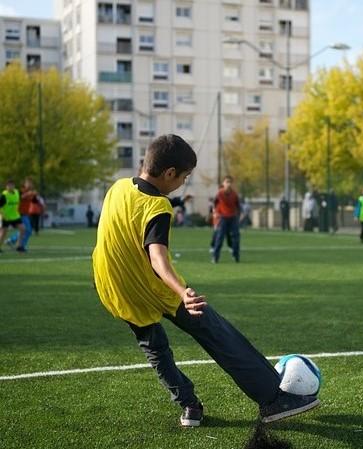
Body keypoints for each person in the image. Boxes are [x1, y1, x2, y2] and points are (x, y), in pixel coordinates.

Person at [92, 134, 319, 428]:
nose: (183, 182)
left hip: (115, 288)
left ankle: (189, 406)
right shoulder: (157, 206)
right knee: (217, 332)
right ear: (169, 173)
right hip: (156, 288)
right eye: (184, 177)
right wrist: (182, 292)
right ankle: (274, 400)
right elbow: (157, 258)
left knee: (156, 350)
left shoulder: (118, 187)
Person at [212, 176, 241, 263]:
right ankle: (215, 257)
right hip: (222, 218)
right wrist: (215, 213)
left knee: (236, 237)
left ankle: (236, 256)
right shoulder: (219, 194)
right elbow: (214, 204)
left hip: (233, 218)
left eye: (230, 182)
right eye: (227, 182)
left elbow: (238, 206)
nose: (228, 184)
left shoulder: (234, 194)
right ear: (223, 183)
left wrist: (238, 216)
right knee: (219, 238)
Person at [6, 177, 36, 250]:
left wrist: (33, 195)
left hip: (25, 213)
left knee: (26, 230)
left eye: (31, 183)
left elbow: (34, 201)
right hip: (19, 213)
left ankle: (12, 240)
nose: (29, 185)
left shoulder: (31, 192)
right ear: (25, 184)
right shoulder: (21, 191)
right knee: (27, 230)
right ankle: (21, 245)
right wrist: (27, 194)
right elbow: (18, 198)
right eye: (28, 183)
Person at [0, 180, 26, 253]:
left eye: (12, 185)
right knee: (3, 233)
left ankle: (19, 246)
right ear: (6, 186)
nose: (10, 187)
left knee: (23, 229)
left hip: (15, 216)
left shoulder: (17, 192)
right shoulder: (4, 195)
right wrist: (2, 215)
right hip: (6, 217)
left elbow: (23, 195)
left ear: (14, 186)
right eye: (9, 185)